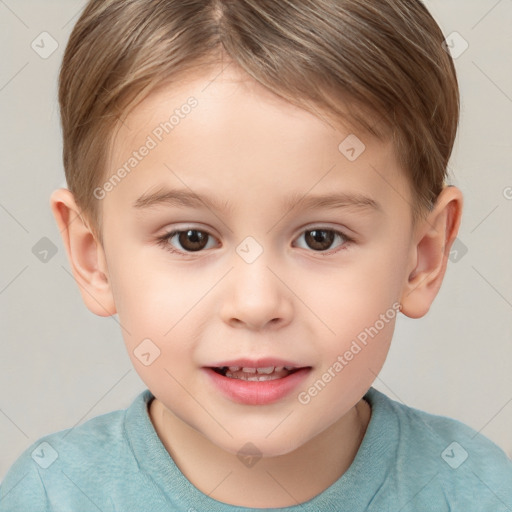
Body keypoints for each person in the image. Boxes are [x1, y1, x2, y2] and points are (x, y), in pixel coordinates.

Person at [1, 0, 511, 510]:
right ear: (94, 258)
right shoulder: (51, 495)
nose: (256, 303)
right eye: (191, 238)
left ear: (422, 256)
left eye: (320, 238)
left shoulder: (476, 490)